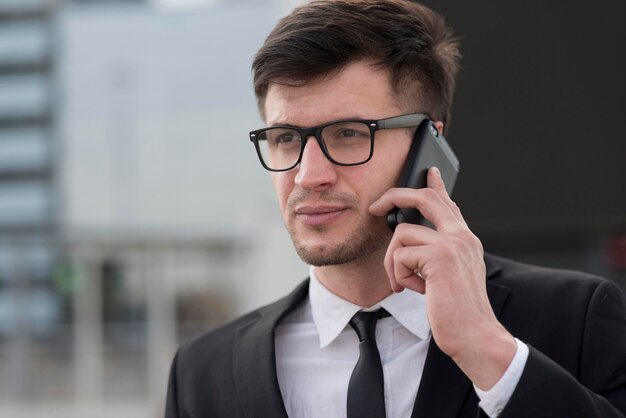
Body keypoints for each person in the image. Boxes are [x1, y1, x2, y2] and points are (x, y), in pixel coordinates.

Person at [165, 1, 626, 417]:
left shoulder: (576, 318)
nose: (308, 176)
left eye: (348, 133)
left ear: (429, 144)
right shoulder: (202, 372)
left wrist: (489, 352)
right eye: (286, 138)